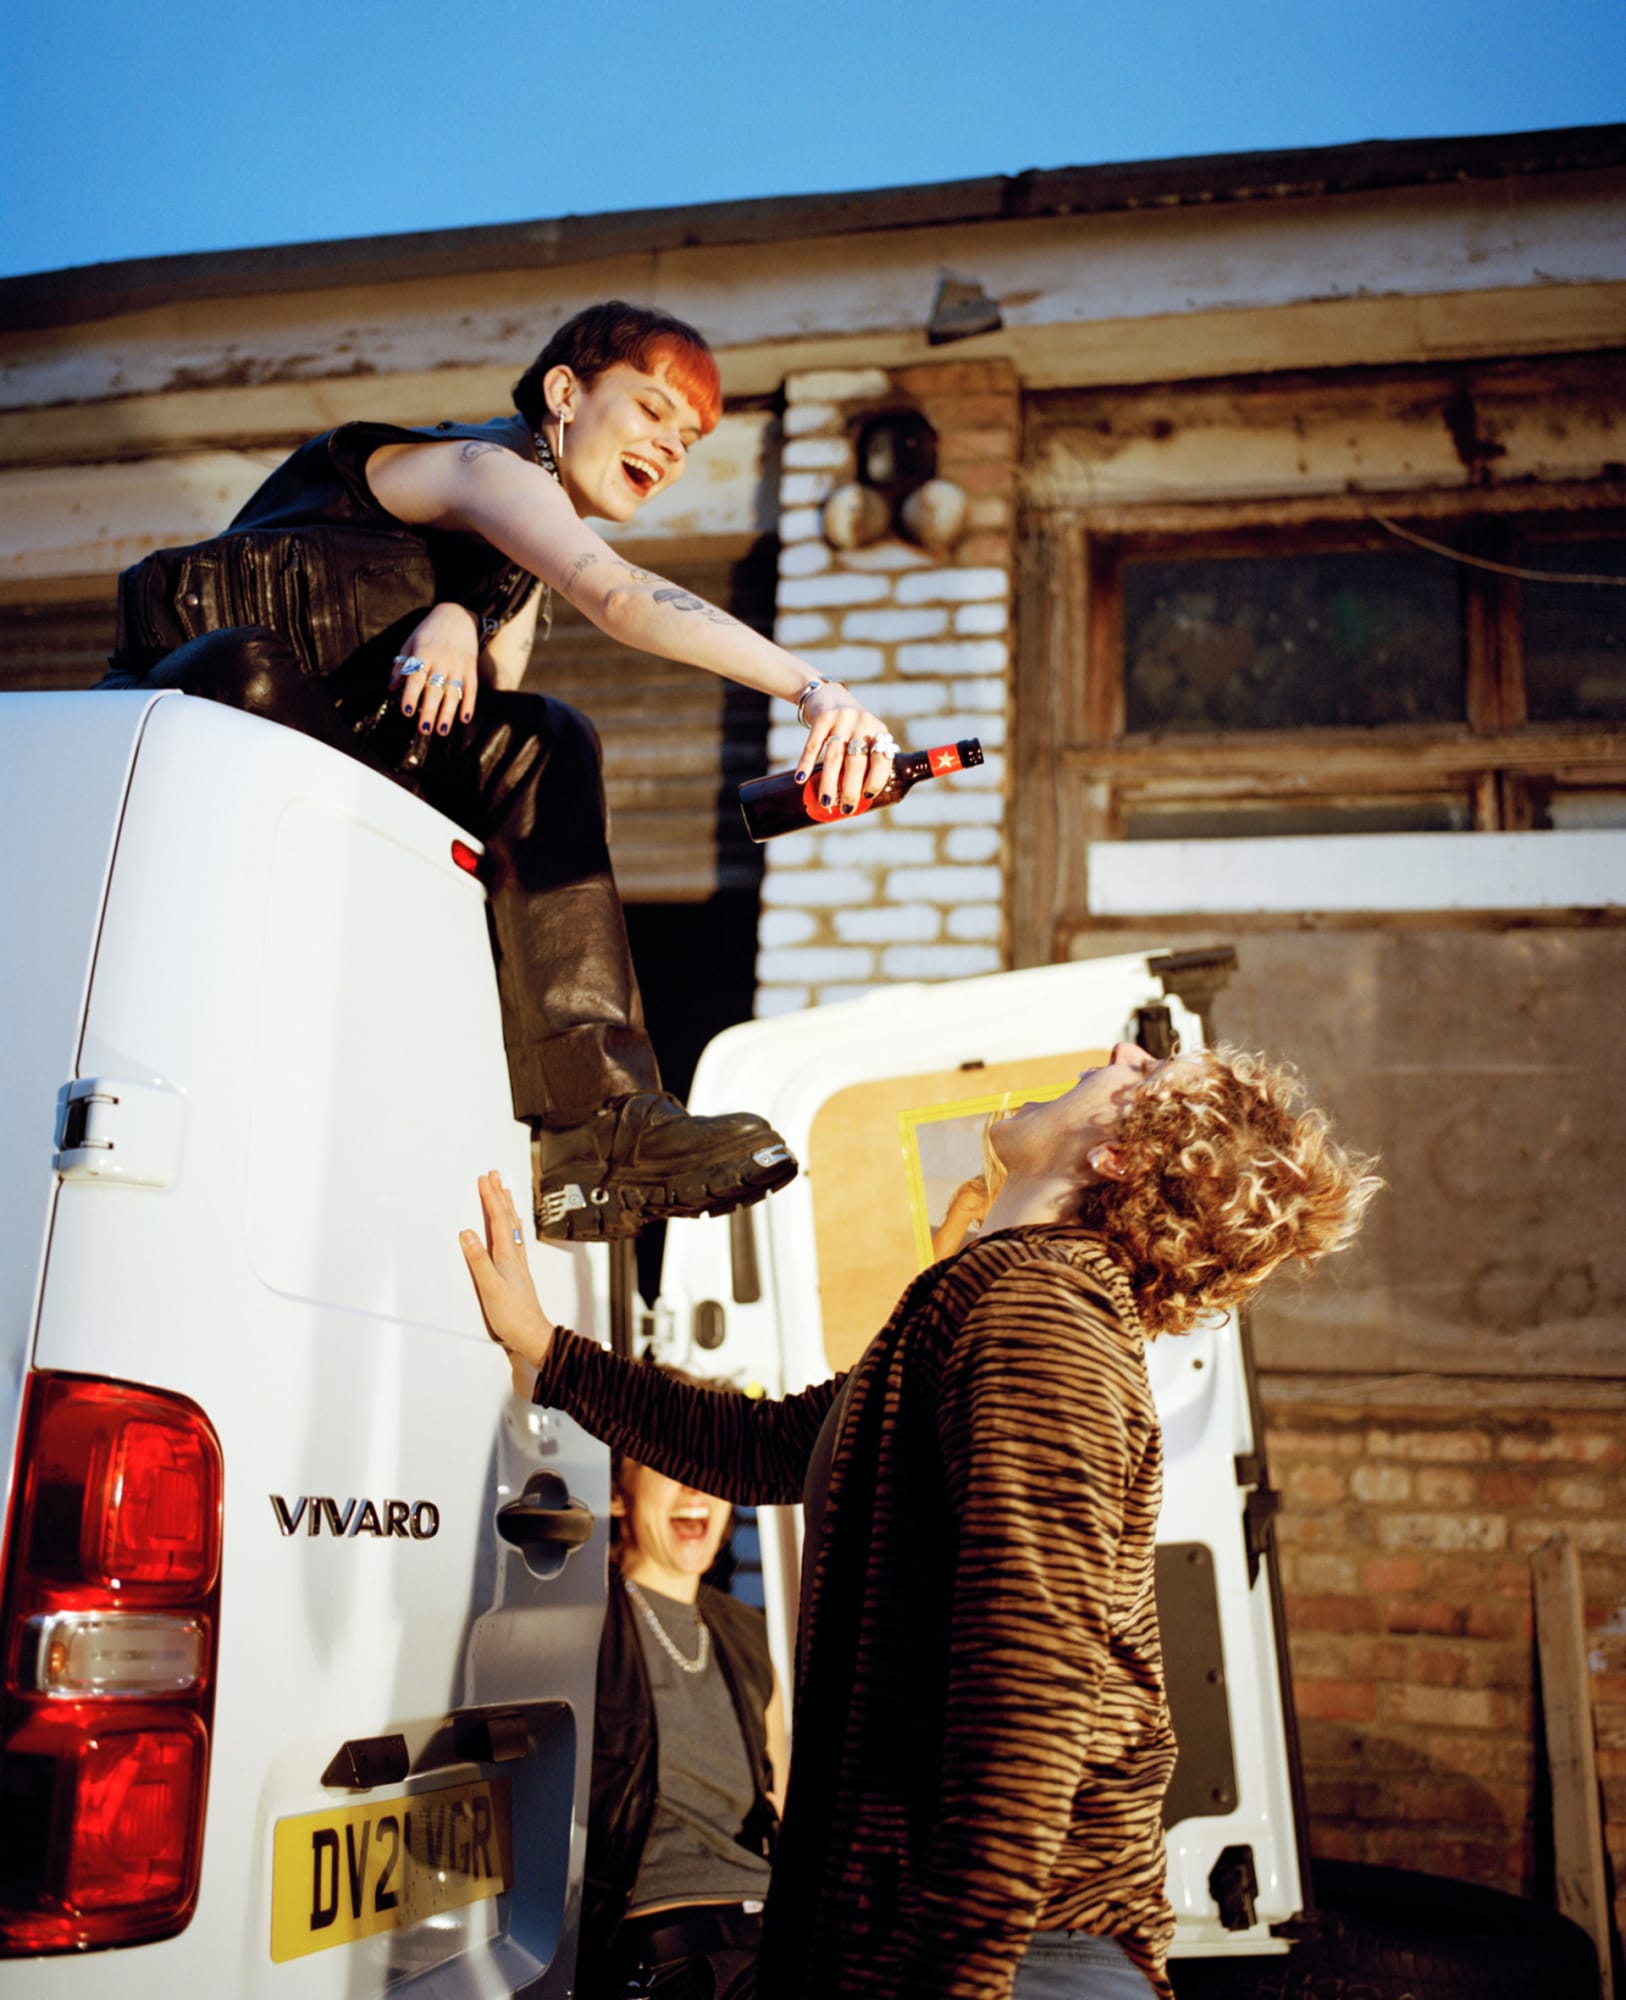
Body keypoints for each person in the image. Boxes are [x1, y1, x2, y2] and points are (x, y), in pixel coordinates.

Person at [461, 1041, 1380, 1999]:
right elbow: (767, 1446)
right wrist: (547, 1351)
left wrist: (956, 1978)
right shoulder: (1000, 1296)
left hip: (1003, 1959)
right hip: (948, 1945)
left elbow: (1030, 1684)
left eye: (1145, 1074)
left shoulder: (1043, 1315)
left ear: (1118, 1155)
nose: (1120, 1052)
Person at [101, 301, 898, 1240]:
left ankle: (595, 1129)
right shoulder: (482, 467)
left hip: (345, 783)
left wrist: (456, 619)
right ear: (565, 392)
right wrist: (817, 693)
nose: (668, 449)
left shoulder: (507, 575)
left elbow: (482, 716)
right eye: (649, 410)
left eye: (687, 440)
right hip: (191, 726)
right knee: (259, 672)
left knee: (545, 737)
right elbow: (617, 594)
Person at [584, 1386, 788, 2000]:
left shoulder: (745, 1632)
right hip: (663, 1951)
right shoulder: (583, 1622)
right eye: (670, 1464)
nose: (696, 1486)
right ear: (619, 1495)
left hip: (772, 1933)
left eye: (707, 1465)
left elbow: (780, 1796)